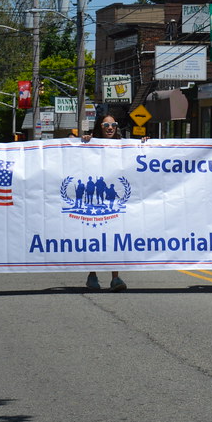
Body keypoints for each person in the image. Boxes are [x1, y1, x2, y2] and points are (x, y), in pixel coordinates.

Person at [81, 115, 128, 292]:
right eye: (106, 124)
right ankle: (92, 275)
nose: (110, 127)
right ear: (100, 126)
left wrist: (144, 143)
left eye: (113, 124)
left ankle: (115, 278)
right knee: (93, 238)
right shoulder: (91, 143)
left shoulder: (124, 145)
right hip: (93, 200)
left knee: (114, 239)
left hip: (114, 200)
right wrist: (85, 140)